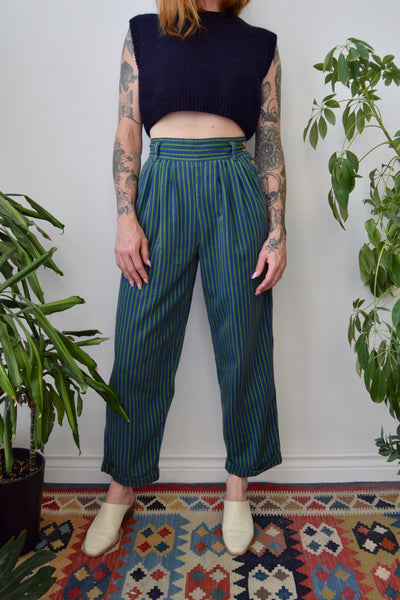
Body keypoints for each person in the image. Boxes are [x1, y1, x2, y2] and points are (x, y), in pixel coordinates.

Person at [83, 0, 286, 558]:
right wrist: (125, 216)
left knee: (243, 340)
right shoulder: (143, 33)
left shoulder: (262, 44)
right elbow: (129, 127)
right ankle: (122, 486)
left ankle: (238, 484)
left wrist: (277, 229)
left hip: (235, 186)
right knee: (140, 343)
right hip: (163, 185)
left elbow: (269, 139)